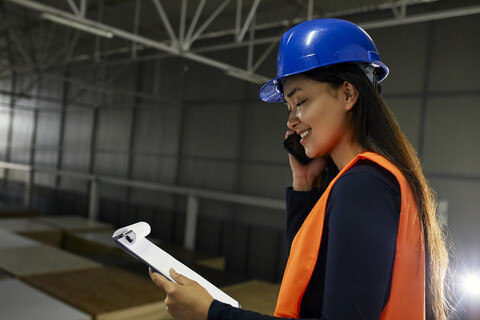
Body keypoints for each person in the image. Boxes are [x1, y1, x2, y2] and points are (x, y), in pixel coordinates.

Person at [150, 18, 449, 320]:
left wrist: (211, 314)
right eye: (288, 108)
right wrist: (303, 183)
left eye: (301, 101)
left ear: (348, 94)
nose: (291, 121)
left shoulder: (363, 186)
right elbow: (311, 286)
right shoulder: (365, 181)